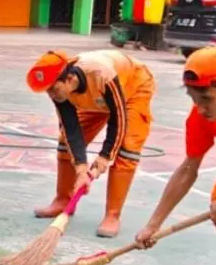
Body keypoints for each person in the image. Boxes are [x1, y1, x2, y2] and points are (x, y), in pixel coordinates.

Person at [26, 49, 155, 238]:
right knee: (65, 144)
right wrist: (81, 169)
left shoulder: (102, 75)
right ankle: (62, 200)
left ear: (70, 79)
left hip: (132, 88)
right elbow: (71, 128)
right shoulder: (60, 90)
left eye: (53, 89)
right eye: (48, 91)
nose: (51, 95)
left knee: (127, 148)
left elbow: (118, 120)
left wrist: (104, 157)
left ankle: (112, 215)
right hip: (95, 98)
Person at [135, 46, 216, 265]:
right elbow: (188, 168)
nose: (200, 108)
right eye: (193, 98)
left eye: (206, 98)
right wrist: (153, 225)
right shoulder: (202, 115)